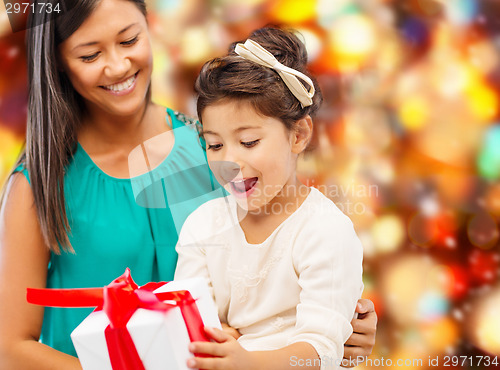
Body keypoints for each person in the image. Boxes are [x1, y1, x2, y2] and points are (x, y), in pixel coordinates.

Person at [0, 0, 376, 369]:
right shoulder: (38, 183)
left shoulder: (214, 150)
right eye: (89, 55)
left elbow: (289, 269)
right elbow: (10, 349)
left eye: (129, 40)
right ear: (59, 64)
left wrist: (346, 321)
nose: (117, 66)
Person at [174, 27, 369, 370]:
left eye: (249, 142)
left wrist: (246, 362)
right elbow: (187, 325)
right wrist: (213, 336)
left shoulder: (324, 231)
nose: (229, 163)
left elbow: (322, 350)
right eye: (214, 144)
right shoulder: (203, 226)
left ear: (299, 134)